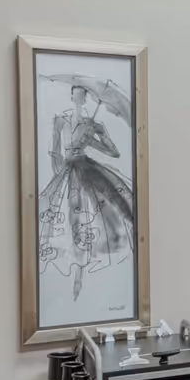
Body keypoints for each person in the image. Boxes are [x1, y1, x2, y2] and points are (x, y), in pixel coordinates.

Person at [38, 84, 135, 299]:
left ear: (85, 99)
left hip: (88, 169)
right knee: (69, 217)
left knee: (93, 214)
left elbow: (114, 152)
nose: (78, 99)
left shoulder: (94, 125)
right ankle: (75, 275)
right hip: (67, 172)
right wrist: (59, 174)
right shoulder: (60, 121)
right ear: (72, 97)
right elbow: (54, 152)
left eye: (82, 96)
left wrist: (92, 140)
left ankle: (82, 275)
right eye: (76, 95)